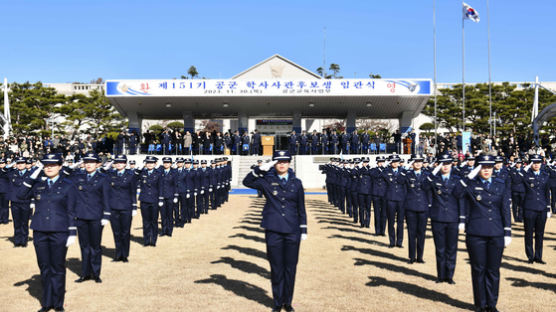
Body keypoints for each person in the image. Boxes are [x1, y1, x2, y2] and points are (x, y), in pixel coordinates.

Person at [243, 150, 307, 312]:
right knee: (276, 268)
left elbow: (301, 207)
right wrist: (260, 169)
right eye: (278, 161)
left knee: (290, 268)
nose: (282, 164)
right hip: (273, 229)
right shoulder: (266, 181)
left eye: (285, 161)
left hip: (293, 230)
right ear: (274, 164)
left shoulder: (297, 183)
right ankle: (278, 303)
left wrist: (303, 228)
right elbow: (247, 181)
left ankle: (288, 302)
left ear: (289, 163)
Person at [18, 153, 76, 312]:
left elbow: (71, 209)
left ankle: (58, 303)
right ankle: (46, 302)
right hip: (40, 230)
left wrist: (72, 232)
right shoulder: (37, 184)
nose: (49, 168)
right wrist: (34, 172)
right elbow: (20, 194)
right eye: (46, 165)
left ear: (60, 167)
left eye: (52, 165)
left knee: (57, 267)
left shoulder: (68, 184)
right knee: (44, 267)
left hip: (60, 230)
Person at [455, 154, 512, 312]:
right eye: (482, 166)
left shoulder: (500, 184)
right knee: (478, 269)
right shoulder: (471, 184)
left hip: (496, 232)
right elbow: (456, 193)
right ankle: (480, 304)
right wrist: (469, 176)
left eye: (489, 166)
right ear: (477, 168)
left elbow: (505, 209)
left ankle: (492, 304)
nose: (486, 170)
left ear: (493, 167)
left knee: (493, 270)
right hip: (476, 233)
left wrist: (507, 231)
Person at [424, 153, 464, 284]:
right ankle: (440, 275)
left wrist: (462, 219)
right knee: (440, 248)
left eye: (447, 163)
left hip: (453, 218)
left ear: (451, 164)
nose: (445, 166)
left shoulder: (457, 179)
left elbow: (461, 200)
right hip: (438, 217)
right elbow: (424, 187)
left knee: (451, 248)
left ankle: (450, 276)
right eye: (442, 163)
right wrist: (432, 172)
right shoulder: (434, 179)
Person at [71, 152, 110, 283]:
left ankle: (96, 273)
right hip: (81, 216)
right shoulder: (78, 177)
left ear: (98, 164)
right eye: (86, 162)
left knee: (95, 246)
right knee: (84, 246)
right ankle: (85, 273)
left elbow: (106, 197)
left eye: (91, 162)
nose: (88, 165)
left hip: (96, 216)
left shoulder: (103, 178)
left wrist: (106, 215)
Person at [522, 154, 551, 264]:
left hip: (542, 208)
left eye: (538, 162)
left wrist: (548, 208)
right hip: (529, 208)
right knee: (529, 233)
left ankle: (538, 256)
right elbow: (520, 177)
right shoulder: (526, 175)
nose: (536, 165)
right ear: (530, 164)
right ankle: (530, 256)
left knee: (540, 234)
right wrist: (526, 167)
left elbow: (547, 192)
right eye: (534, 163)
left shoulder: (545, 175)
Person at [108, 154, 137, 262]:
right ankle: (118, 254)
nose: (119, 164)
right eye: (117, 162)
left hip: (126, 207)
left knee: (125, 232)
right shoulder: (110, 175)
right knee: (116, 232)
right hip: (113, 207)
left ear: (125, 164)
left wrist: (134, 206)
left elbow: (133, 191)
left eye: (121, 162)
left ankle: (124, 255)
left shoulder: (131, 175)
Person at [402, 154, 430, 264]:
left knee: (421, 233)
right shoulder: (408, 174)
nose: (418, 163)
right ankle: (412, 257)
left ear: (422, 163)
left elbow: (429, 191)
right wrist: (406, 167)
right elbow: (399, 180)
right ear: (412, 163)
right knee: (411, 233)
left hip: (423, 207)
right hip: (411, 207)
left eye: (420, 161)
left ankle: (420, 257)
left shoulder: (427, 175)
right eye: (415, 161)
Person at [138, 156, 162, 246]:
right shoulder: (142, 172)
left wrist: (160, 198)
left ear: (155, 164)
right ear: (145, 164)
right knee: (146, 221)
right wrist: (140, 168)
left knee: (154, 221)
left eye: (151, 163)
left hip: (154, 200)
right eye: (148, 163)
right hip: (144, 200)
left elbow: (161, 187)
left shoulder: (158, 173)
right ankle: (146, 240)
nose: (150, 165)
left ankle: (153, 240)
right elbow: (134, 177)